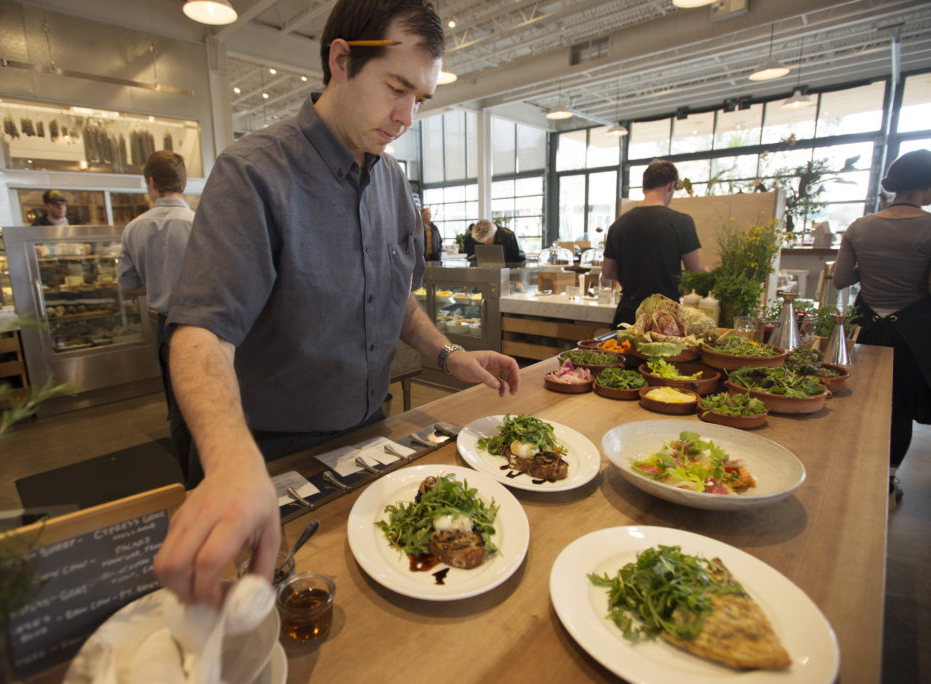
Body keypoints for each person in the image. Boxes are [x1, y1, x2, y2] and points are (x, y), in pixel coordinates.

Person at [153, 0, 520, 608]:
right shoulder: (254, 173)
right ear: (342, 60)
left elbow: (393, 296)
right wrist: (229, 458)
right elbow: (199, 334)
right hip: (269, 454)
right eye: (396, 89)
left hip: (368, 433)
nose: (405, 117)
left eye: (420, 100)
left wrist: (448, 353)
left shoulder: (391, 180)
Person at [832, 148, 931, 507]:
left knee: (856, 400)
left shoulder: (860, 227)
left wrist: (870, 269)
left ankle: (849, 471)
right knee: (899, 407)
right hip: (912, 332)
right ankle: (887, 485)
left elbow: (841, 279)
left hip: (865, 327)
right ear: (924, 187)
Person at [117, 151, 195, 481]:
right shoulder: (202, 223)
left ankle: (190, 484)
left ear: (151, 183)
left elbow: (128, 286)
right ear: (184, 182)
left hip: (168, 327)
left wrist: (160, 279)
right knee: (219, 405)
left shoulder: (133, 229)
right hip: (209, 323)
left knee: (178, 413)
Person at [602, 160, 703, 328]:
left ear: (644, 188)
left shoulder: (618, 224)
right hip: (665, 317)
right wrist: (705, 273)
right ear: (671, 186)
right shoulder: (681, 222)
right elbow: (695, 271)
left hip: (629, 314)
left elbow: (607, 271)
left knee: (623, 354)